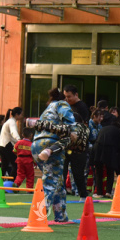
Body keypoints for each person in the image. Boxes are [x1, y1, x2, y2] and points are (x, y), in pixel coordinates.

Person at [31, 89, 78, 223]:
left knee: (58, 182)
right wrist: (73, 133)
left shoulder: (47, 109)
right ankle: (38, 217)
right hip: (51, 143)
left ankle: (61, 216)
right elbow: (69, 121)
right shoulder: (62, 105)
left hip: (36, 145)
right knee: (51, 181)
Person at [93, 114, 120, 198]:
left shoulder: (103, 128)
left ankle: (99, 193)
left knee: (99, 172)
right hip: (110, 151)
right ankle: (108, 192)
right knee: (110, 171)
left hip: (98, 149)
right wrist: (119, 162)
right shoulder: (119, 132)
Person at [0, 107, 23, 179]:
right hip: (7, 145)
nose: (22, 116)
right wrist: (19, 140)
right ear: (17, 115)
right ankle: (11, 183)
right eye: (21, 114)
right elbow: (13, 132)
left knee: (4, 166)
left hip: (1, 145)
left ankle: (0, 184)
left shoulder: (9, 121)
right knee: (16, 165)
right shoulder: (12, 122)